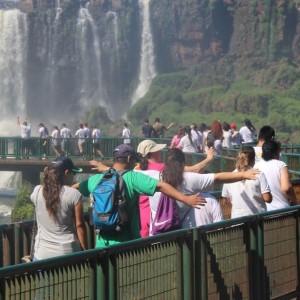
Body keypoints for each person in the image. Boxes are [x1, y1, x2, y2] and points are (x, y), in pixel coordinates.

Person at [73, 144, 205, 248]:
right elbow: (162, 186)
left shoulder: (96, 179)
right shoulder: (132, 177)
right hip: (128, 244)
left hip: (101, 244)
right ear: (129, 159)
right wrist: (186, 199)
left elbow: (74, 189)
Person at [136, 148, 259, 234]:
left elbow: (129, 174)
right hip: (181, 237)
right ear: (183, 164)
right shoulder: (188, 179)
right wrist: (243, 175)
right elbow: (218, 177)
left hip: (157, 236)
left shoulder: (152, 176)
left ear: (165, 164)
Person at [30, 157, 87, 260]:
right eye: (73, 173)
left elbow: (48, 189)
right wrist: (84, 249)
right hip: (68, 253)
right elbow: (79, 225)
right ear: (66, 173)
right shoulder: (74, 194)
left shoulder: (37, 191)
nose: (74, 177)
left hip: (41, 253)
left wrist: (46, 176)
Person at [222, 146, 272, 218]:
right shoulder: (259, 174)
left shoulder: (230, 176)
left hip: (237, 218)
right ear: (253, 159)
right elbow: (267, 198)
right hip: (257, 218)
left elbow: (226, 199)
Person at [255, 140, 297, 210]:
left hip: (263, 210)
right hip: (282, 209)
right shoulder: (281, 165)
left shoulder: (256, 166)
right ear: (277, 152)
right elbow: (286, 188)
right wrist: (295, 201)